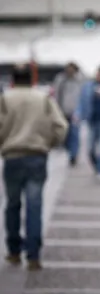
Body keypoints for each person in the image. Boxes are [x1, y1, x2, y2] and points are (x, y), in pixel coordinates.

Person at [1, 64, 68, 270]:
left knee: (12, 204)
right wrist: (50, 143)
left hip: (12, 155)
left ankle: (13, 251)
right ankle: (33, 254)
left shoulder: (5, 99)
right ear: (32, 79)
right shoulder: (43, 99)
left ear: (13, 79)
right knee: (35, 205)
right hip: (37, 156)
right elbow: (61, 126)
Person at [53, 62, 85, 167]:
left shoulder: (80, 80)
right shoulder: (60, 80)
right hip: (62, 111)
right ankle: (68, 149)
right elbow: (56, 94)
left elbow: (83, 95)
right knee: (65, 134)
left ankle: (73, 155)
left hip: (76, 112)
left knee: (75, 134)